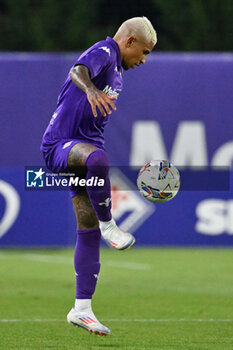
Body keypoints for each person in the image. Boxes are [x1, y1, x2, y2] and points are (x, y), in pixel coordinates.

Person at [41, 16, 157, 336]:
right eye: (144, 52)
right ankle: (111, 226)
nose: (143, 60)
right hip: (59, 146)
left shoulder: (118, 74)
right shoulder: (105, 51)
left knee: (86, 227)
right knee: (100, 160)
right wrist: (90, 88)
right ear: (129, 42)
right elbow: (77, 71)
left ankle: (82, 309)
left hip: (84, 150)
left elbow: (94, 128)